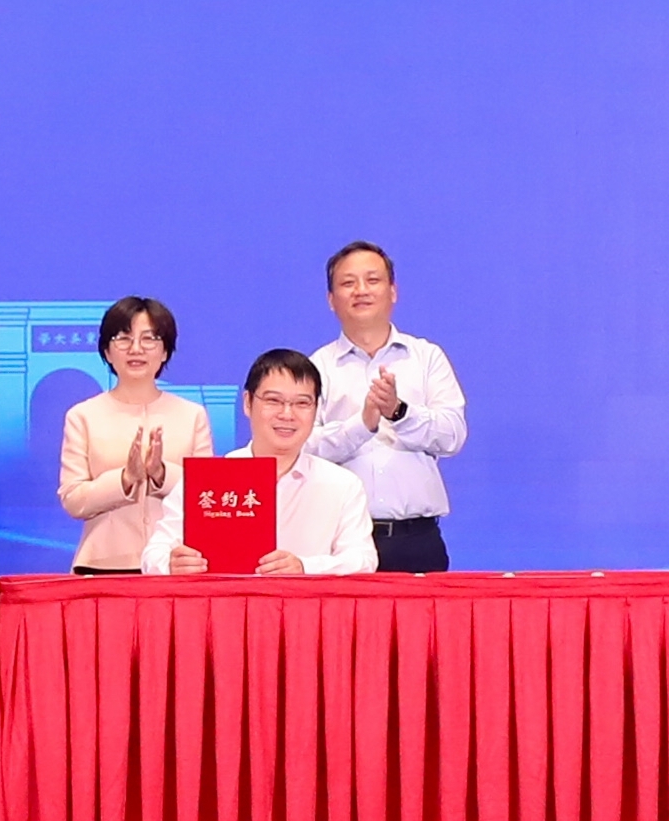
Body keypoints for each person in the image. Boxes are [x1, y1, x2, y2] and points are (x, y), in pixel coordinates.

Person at [143, 348, 377, 575]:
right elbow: (153, 554)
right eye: (273, 400)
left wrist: (305, 567)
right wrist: (171, 564)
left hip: (306, 601)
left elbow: (363, 559)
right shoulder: (209, 479)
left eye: (302, 403)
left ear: (316, 409)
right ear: (248, 402)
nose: (287, 414)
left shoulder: (342, 485)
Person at [309, 240, 467, 573]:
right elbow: (304, 447)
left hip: (417, 539)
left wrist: (399, 413)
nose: (361, 291)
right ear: (331, 300)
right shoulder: (316, 368)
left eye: (372, 280)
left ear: (393, 292)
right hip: (341, 541)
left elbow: (452, 436)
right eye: (348, 283)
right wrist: (361, 426)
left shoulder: (426, 357)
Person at [55, 296, 215, 574]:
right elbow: (73, 499)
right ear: (107, 352)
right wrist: (125, 479)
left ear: (165, 351)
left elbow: (206, 496)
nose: (136, 349)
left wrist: (161, 474)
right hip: (101, 564)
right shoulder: (83, 416)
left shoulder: (192, 415)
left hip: (174, 564)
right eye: (123, 338)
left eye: (149, 338)